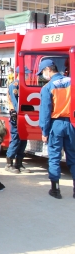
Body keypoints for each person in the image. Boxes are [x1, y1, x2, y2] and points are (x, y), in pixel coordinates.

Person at [38, 59, 75, 199]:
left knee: (54, 157)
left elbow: (46, 112)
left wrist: (44, 131)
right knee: (73, 157)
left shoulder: (47, 87)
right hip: (72, 123)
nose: (43, 75)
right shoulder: (72, 81)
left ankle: (56, 190)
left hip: (56, 125)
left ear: (48, 70)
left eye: (43, 72)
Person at [5, 66, 31, 174]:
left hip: (24, 116)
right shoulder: (14, 86)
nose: (27, 75)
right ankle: (9, 163)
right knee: (15, 139)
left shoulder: (24, 85)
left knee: (23, 139)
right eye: (25, 73)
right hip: (17, 116)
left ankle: (19, 163)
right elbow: (16, 103)